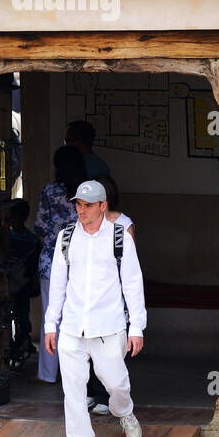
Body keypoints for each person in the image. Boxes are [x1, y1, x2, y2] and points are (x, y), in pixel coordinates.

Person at [43, 179, 147, 437]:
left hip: (109, 325)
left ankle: (124, 411)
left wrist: (137, 326)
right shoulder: (66, 237)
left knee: (115, 382)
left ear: (103, 206)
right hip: (73, 328)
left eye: (88, 205)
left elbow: (132, 283)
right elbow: (58, 285)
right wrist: (51, 323)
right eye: (78, 204)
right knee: (73, 389)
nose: (82, 210)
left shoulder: (118, 236)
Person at [33, 145, 87, 383]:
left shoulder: (50, 191)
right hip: (83, 262)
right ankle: (76, 375)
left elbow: (41, 227)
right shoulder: (88, 192)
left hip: (53, 260)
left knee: (51, 316)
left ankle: (47, 375)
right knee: (81, 318)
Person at [86, 173, 136, 415]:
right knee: (88, 345)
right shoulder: (83, 225)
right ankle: (93, 393)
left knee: (112, 353)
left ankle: (113, 400)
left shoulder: (124, 225)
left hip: (115, 298)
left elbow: (130, 269)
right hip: (89, 297)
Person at [6, 200, 40, 366]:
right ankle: (21, 339)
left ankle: (23, 338)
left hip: (19, 282)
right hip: (18, 282)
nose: (13, 221)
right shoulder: (31, 239)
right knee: (19, 312)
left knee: (21, 313)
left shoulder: (14, 238)